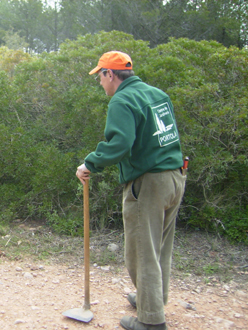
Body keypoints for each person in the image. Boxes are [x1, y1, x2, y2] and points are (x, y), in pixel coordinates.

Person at [76, 51, 186, 330]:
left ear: (110, 74)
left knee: (141, 251)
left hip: (149, 183)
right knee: (160, 247)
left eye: (100, 76)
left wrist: (90, 163)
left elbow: (120, 144)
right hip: (175, 177)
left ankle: (151, 321)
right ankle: (153, 299)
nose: (100, 83)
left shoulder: (122, 100)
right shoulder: (157, 93)